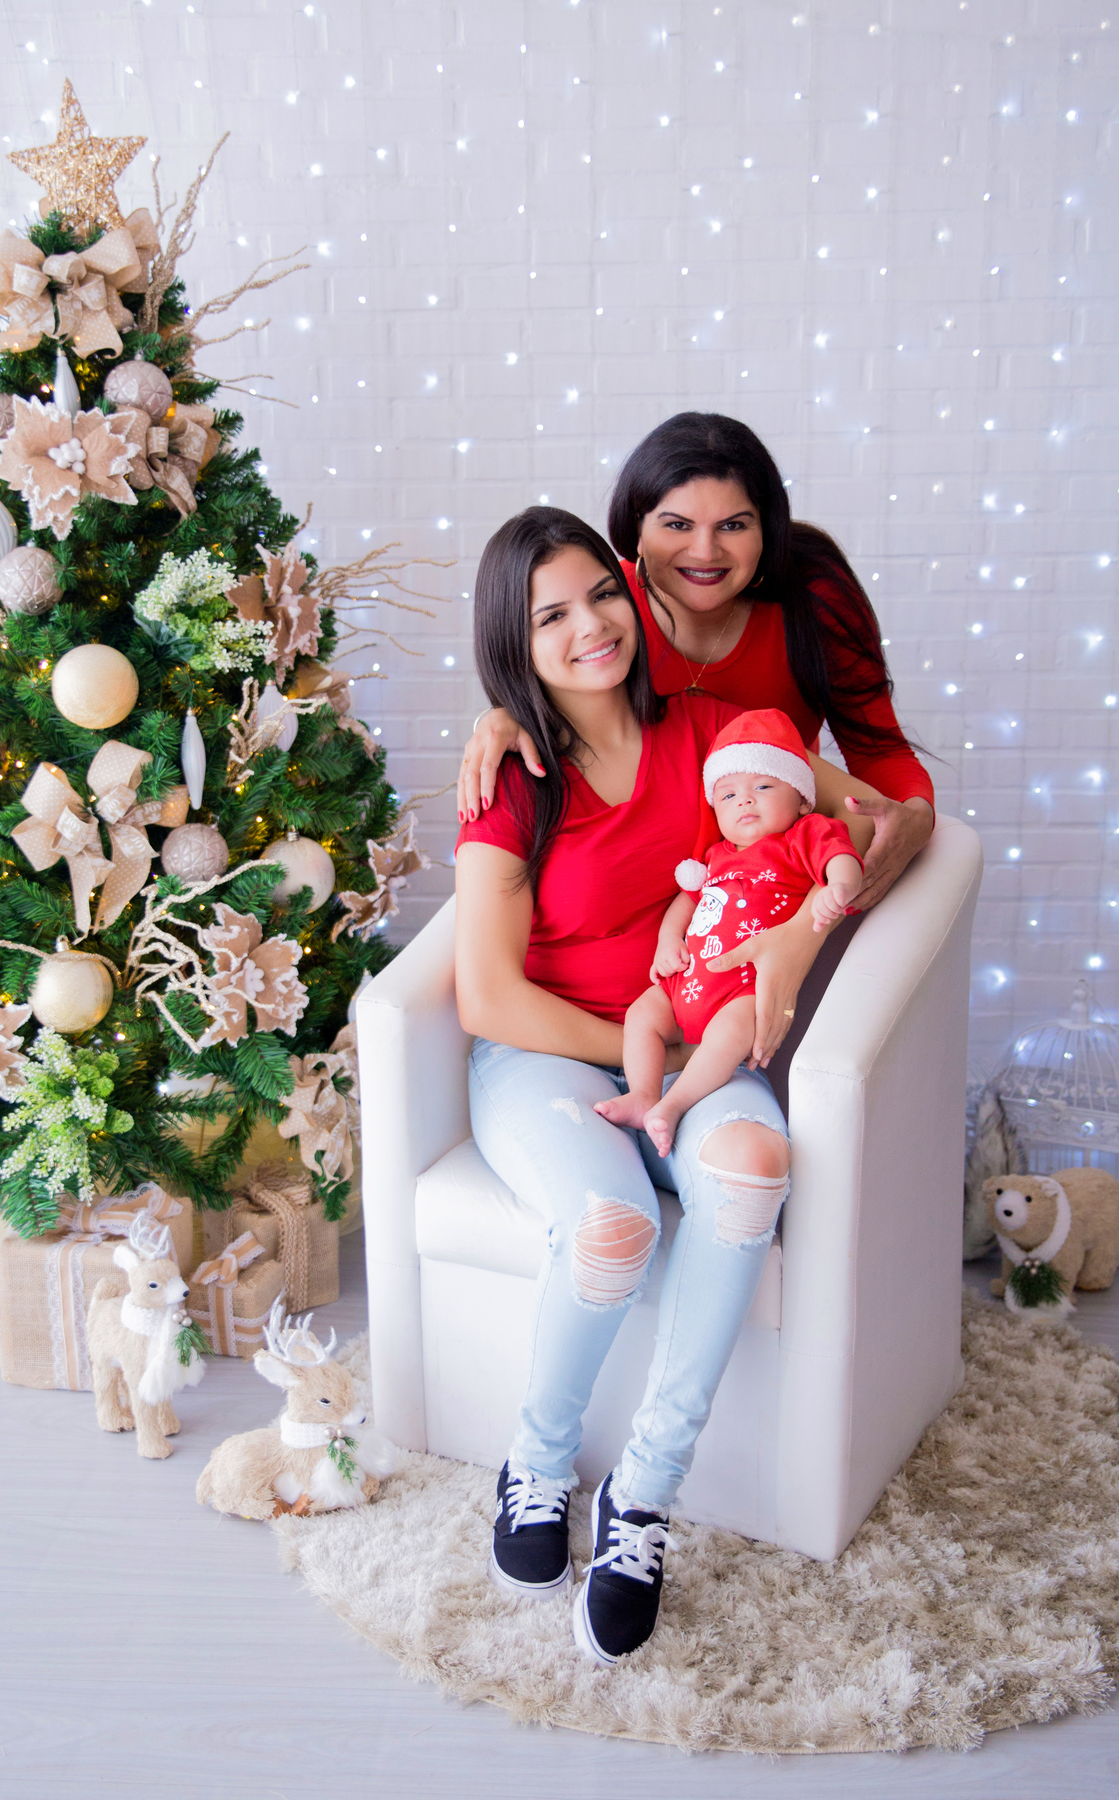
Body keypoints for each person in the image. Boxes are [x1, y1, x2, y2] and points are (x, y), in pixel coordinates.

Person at [455, 505, 884, 1666]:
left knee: (751, 1167)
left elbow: (880, 825)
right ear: (512, 645)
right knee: (613, 1224)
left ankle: (642, 1494)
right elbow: (486, 998)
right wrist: (631, 1039)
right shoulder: (515, 777)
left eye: (602, 592)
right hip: (547, 1056)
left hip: (698, 1050)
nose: (591, 625)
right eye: (549, 617)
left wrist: (799, 930)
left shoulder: (715, 733)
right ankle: (538, 1464)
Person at [457, 412, 934, 943]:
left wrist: (915, 819)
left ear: (767, 529)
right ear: (635, 531)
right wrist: (503, 713)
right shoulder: (610, 612)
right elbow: (546, 673)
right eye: (677, 525)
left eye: (734, 525)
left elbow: (878, 750)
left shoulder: (813, 598)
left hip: (779, 863)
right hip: (668, 878)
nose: (705, 551)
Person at [595, 709, 863, 1158]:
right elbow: (686, 902)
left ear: (802, 800)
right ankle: (642, 1094)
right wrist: (668, 941)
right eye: (729, 794)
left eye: (764, 787)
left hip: (743, 991)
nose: (745, 801)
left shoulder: (803, 836)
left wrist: (839, 886)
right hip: (687, 981)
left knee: (732, 1033)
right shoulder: (715, 856)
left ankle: (674, 1104)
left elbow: (840, 854)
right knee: (642, 1015)